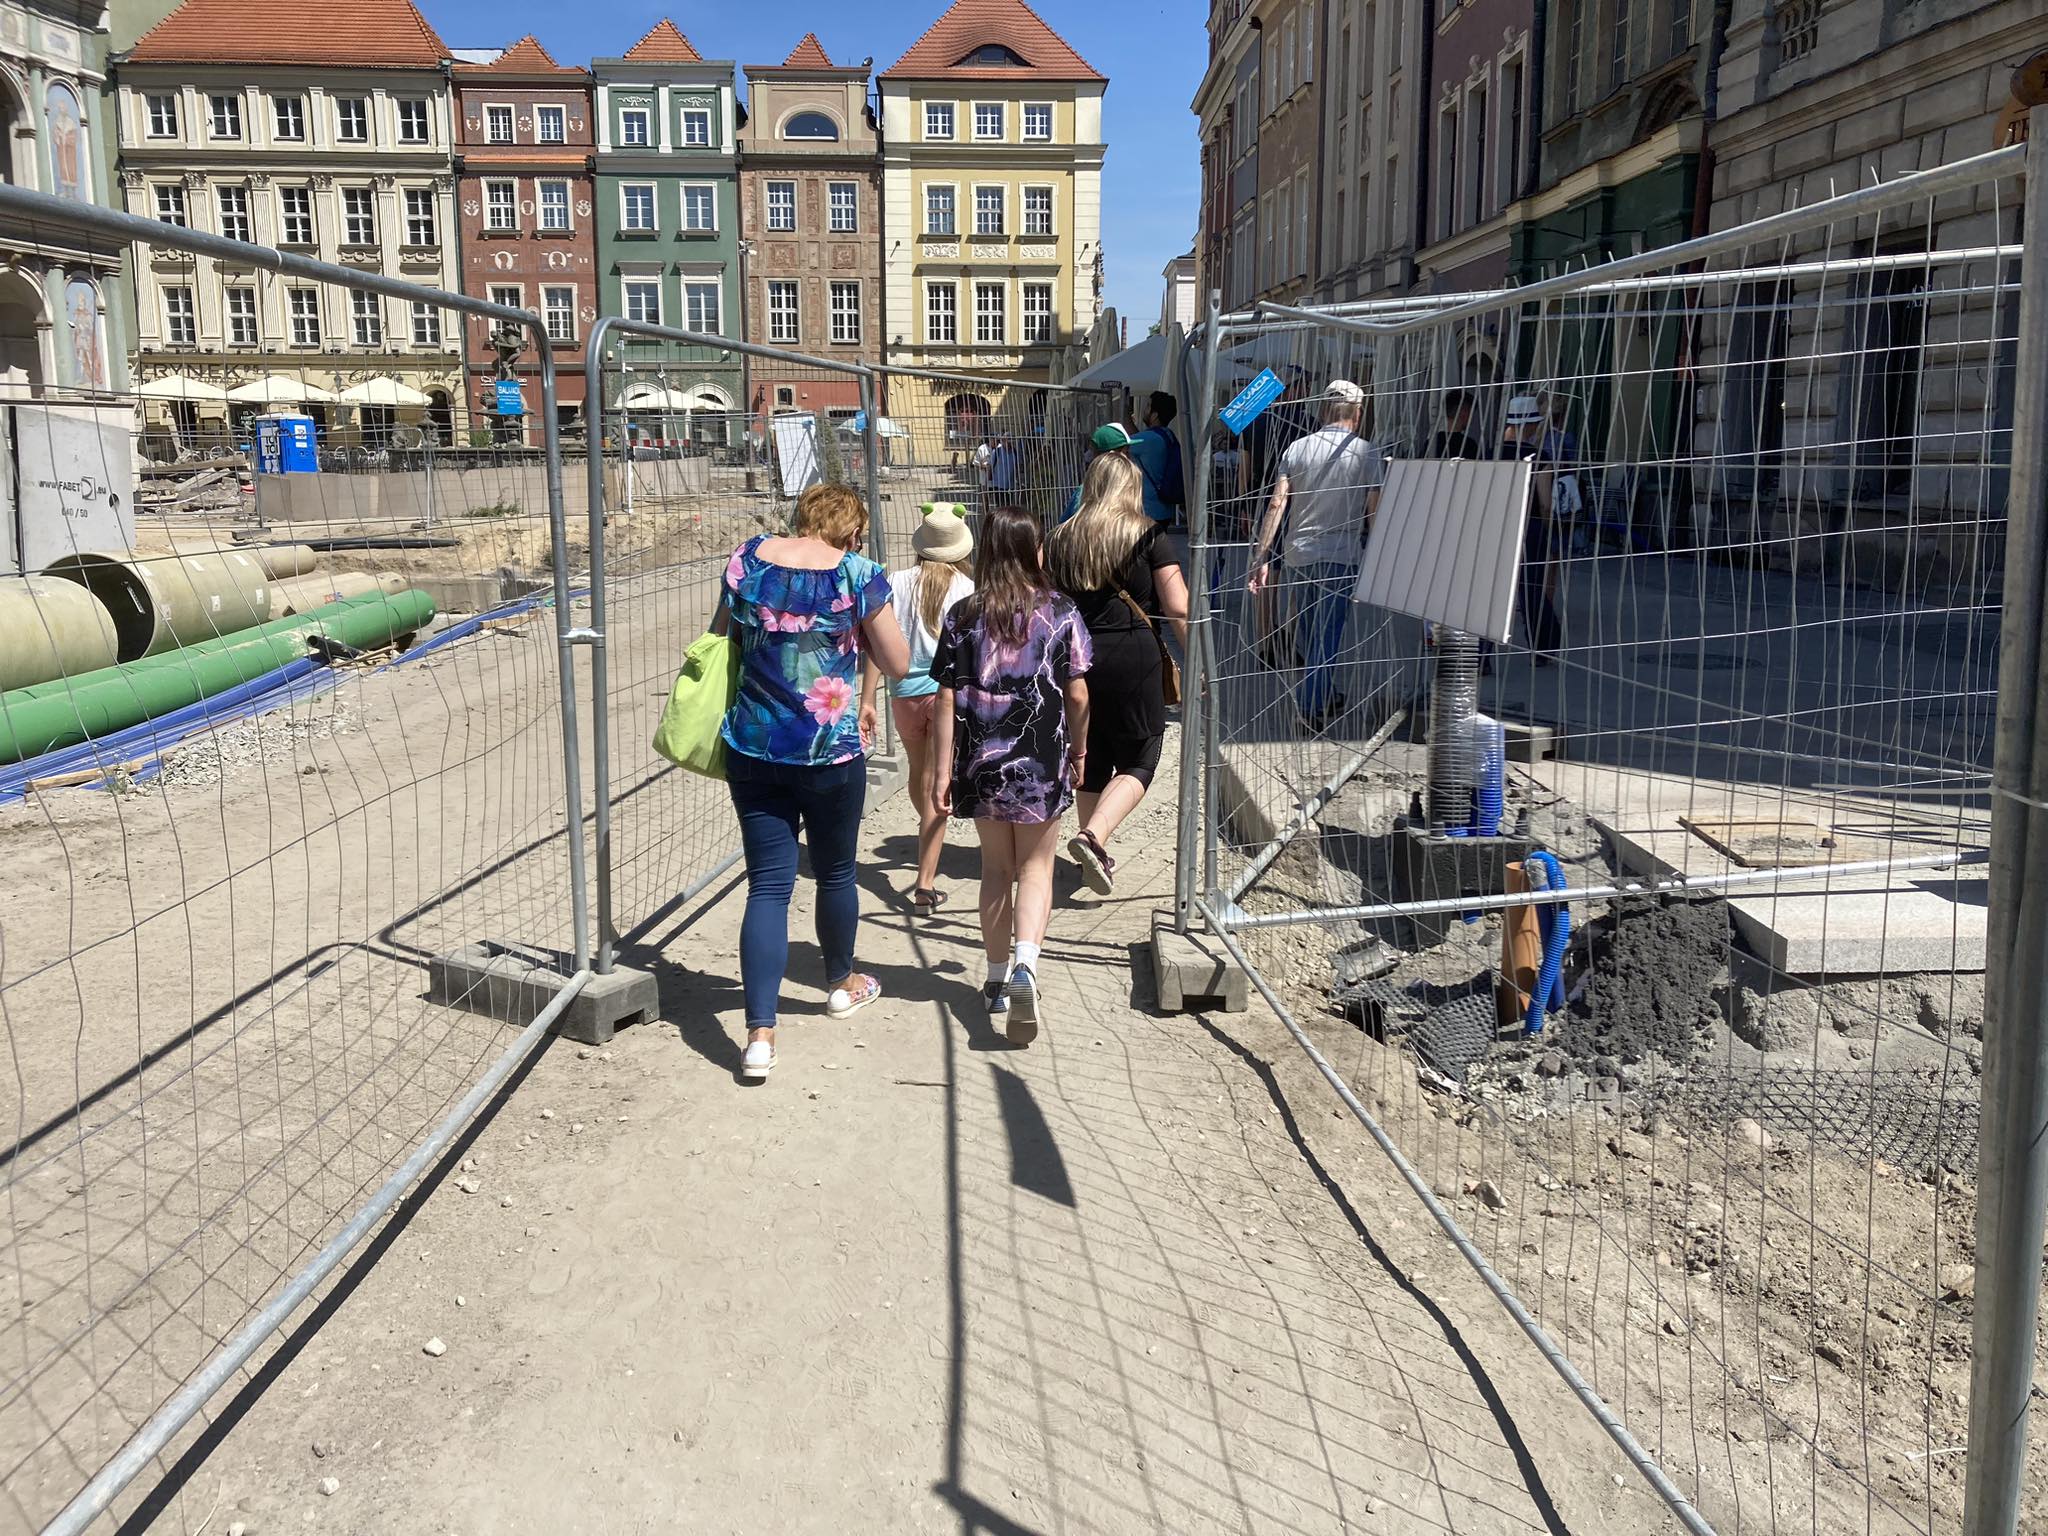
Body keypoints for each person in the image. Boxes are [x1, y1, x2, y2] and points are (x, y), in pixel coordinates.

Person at [715, 483, 911, 1082]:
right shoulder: (858, 575)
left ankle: (759, 1037)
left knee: (768, 887)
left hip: (754, 745)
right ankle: (840, 984)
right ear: (851, 530)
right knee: (837, 872)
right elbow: (898, 663)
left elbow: (721, 637)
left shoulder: (747, 558)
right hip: (829, 752)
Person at [929, 506, 1092, 1044]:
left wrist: (941, 771)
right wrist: (1079, 750)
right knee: (1036, 868)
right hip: (1041, 761)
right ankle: (1026, 964)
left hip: (979, 762)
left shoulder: (962, 615)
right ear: (1032, 550)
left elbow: (945, 696)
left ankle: (997, 980)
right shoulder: (1061, 611)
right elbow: (1078, 694)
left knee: (995, 869)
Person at [1047, 452, 1190, 895]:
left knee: (1090, 754)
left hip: (1074, 658)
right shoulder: (1149, 534)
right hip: (1134, 657)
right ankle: (1093, 836)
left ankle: (1092, 857)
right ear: (1132, 487)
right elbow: (1178, 607)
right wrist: (1198, 660)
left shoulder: (1059, 538)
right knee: (1140, 758)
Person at [1246, 379, 1385, 729]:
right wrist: (1379, 556)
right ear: (1358, 412)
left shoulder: (1296, 449)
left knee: (1310, 632)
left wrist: (1261, 556)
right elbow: (1374, 511)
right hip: (1341, 554)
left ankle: (1325, 692)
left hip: (1298, 554)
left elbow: (1277, 504)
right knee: (1328, 634)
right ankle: (1309, 707)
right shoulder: (1366, 452)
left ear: (1324, 409)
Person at [861, 503, 976, 912]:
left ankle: (929, 825)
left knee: (919, 773)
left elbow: (878, 644)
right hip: (949, 694)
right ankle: (924, 883)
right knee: (938, 781)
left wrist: (867, 698)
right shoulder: (968, 588)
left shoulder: (895, 581)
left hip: (904, 692)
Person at [1500, 394, 1564, 655]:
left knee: (1490, 591)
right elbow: (1545, 502)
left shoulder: (1491, 454)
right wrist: (1547, 527)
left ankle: (1480, 656)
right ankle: (1542, 647)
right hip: (1530, 527)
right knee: (1532, 589)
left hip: (1497, 525)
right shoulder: (1539, 456)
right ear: (1529, 425)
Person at [1128, 392, 1187, 525]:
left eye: (1148, 406)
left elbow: (1122, 444)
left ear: (1154, 415)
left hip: (1148, 510)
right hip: (1164, 509)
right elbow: (1138, 438)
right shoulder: (1167, 435)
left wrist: (1124, 413)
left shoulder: (1149, 439)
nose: (1145, 409)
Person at [1062, 422, 1135, 521]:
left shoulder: (1083, 492)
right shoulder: (1084, 494)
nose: (1129, 458)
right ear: (1111, 456)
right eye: (1126, 452)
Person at [1429, 389, 1483, 460]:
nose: (1471, 418)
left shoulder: (1432, 443)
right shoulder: (1468, 446)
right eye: (1471, 412)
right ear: (1464, 413)